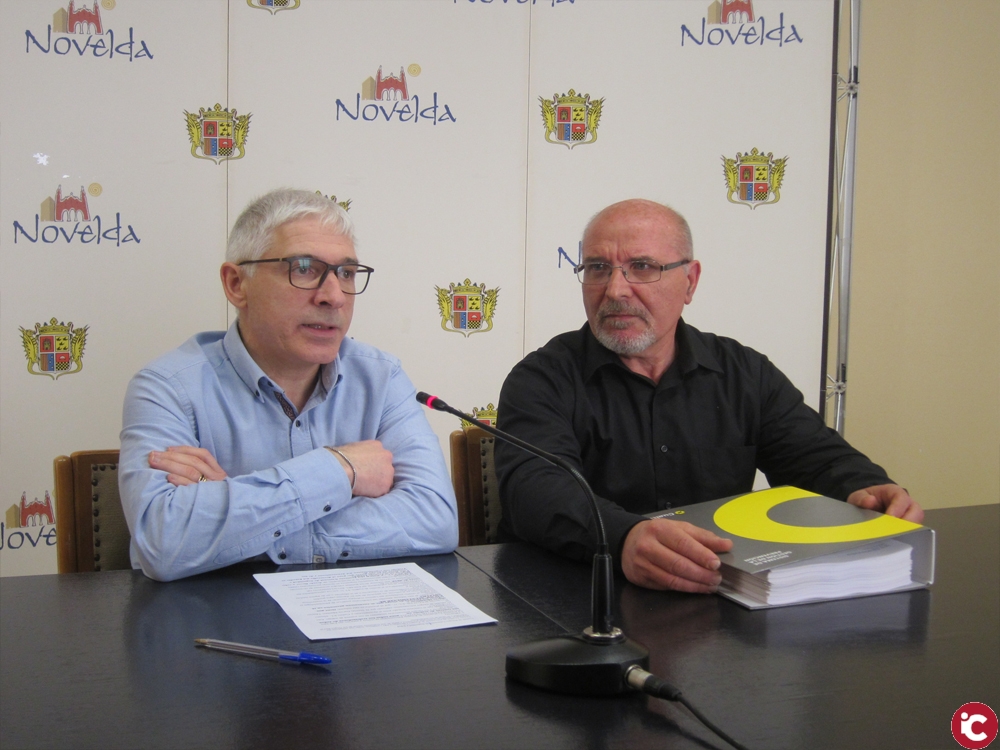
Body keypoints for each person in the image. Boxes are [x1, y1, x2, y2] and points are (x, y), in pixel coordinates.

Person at [495, 199, 922, 594]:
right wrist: (622, 537)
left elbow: (815, 457)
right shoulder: (541, 378)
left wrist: (865, 487)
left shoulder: (744, 373)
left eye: (642, 267)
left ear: (690, 281)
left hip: (717, 598)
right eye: (598, 268)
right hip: (576, 598)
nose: (615, 289)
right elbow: (535, 491)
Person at [119, 189, 457, 581]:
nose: (334, 296)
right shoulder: (167, 388)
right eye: (304, 269)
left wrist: (235, 519)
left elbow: (435, 521)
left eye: (346, 274)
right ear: (236, 284)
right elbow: (165, 541)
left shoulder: (381, 378)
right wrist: (340, 469)